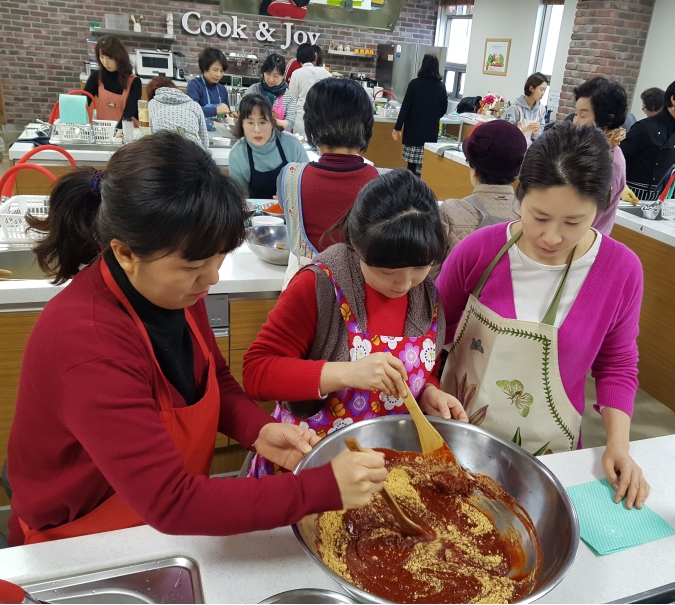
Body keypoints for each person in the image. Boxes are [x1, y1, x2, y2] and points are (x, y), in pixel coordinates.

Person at [6, 132, 387, 547]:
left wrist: (258, 430)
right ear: (126, 253)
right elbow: (171, 502)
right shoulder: (87, 343)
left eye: (218, 260)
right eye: (194, 267)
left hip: (158, 522)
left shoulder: (171, 290)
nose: (212, 279)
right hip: (79, 538)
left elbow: (214, 378)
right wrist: (322, 489)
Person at [436, 122, 649, 510]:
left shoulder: (620, 270)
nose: (552, 237)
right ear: (520, 194)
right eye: (538, 216)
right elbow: (428, 335)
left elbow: (617, 365)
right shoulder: (479, 250)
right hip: (453, 442)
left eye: (573, 222)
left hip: (545, 457)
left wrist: (619, 445)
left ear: (601, 209)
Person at [243, 170, 468, 475]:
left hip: (385, 472)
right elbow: (257, 373)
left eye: (420, 266)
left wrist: (428, 393)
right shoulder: (320, 286)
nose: (404, 283)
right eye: (388, 271)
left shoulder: (426, 296)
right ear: (358, 246)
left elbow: (422, 370)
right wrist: (348, 372)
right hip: (309, 463)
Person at [278, 78, 381, 287]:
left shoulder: (290, 177)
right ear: (366, 125)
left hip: (302, 297)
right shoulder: (379, 182)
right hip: (357, 302)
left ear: (312, 124)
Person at [432, 120, 527, 278]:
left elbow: (430, 276)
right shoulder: (528, 214)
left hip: (455, 301)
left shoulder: (450, 211)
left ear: (474, 170)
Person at [621, 76, 675, 201]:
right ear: (674, 99)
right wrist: (621, 186)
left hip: (658, 196)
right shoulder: (645, 127)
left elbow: (674, 163)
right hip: (630, 194)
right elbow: (618, 158)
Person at [572, 77, 628, 236]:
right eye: (575, 114)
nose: (575, 121)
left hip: (584, 242)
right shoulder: (586, 147)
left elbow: (587, 215)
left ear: (607, 119)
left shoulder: (610, 161)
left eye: (583, 116)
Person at [229, 94, 308, 200]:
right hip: (256, 214)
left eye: (262, 122)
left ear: (272, 122)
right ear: (242, 124)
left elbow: (308, 184)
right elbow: (241, 199)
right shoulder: (237, 154)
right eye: (250, 122)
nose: (257, 129)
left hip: (292, 211)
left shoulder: (292, 144)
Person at [393, 54, 448, 175]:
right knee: (427, 166)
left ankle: (411, 188)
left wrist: (397, 127)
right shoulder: (441, 87)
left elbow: (405, 107)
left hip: (413, 132)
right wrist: (432, 117)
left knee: (411, 167)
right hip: (430, 133)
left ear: (423, 66)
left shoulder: (414, 84)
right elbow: (444, 109)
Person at [83, 36, 142, 130]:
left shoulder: (134, 82)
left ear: (119, 58)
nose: (105, 62)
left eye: (109, 58)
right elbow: (83, 103)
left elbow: (128, 113)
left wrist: (117, 131)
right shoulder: (96, 77)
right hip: (103, 131)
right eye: (101, 57)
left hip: (127, 132)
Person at [146, 77, 208, 148]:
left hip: (163, 151)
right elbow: (205, 142)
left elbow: (152, 135)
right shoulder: (194, 105)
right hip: (192, 152)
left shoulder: (153, 103)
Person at [245, 54, 298, 132]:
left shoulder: (289, 96)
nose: (271, 79)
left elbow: (290, 122)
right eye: (268, 74)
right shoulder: (255, 89)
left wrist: (269, 121)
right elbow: (239, 107)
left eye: (275, 76)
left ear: (283, 75)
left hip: (280, 139)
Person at [289, 43, 332, 138]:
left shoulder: (296, 74)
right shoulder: (326, 73)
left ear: (299, 59)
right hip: (322, 117)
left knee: (302, 147)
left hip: (301, 118)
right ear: (314, 57)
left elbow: (292, 98)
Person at [187, 48, 230, 132]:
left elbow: (226, 113)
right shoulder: (195, 85)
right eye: (215, 70)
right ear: (204, 67)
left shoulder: (222, 89)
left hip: (219, 136)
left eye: (222, 71)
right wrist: (216, 110)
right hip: (199, 134)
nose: (218, 75)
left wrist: (232, 114)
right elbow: (191, 110)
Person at [502, 72, 549, 146]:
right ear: (531, 88)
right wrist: (526, 129)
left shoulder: (541, 109)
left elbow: (539, 134)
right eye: (541, 89)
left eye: (545, 90)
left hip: (530, 149)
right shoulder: (515, 109)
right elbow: (505, 133)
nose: (543, 93)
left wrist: (535, 133)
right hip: (513, 148)